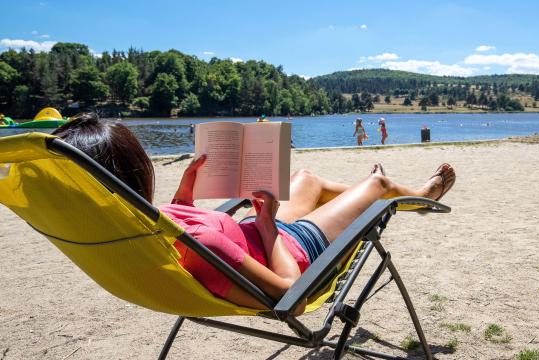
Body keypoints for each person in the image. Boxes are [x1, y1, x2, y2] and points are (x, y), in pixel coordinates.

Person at [51, 113, 456, 313]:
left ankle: (370, 196)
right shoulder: (201, 242)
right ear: (138, 172)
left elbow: (187, 236)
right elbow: (291, 294)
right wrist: (267, 228)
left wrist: (185, 195)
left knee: (306, 176)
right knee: (379, 186)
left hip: (261, 232)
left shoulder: (132, 229)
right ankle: (414, 195)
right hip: (292, 248)